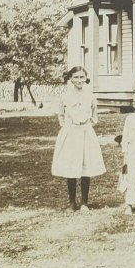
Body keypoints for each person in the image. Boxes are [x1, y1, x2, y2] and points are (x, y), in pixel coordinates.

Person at [51, 66, 106, 212]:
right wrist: (66, 127)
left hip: (86, 132)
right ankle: (71, 202)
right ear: (70, 79)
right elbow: (60, 114)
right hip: (71, 133)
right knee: (71, 167)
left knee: (85, 166)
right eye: (76, 77)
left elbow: (95, 116)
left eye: (82, 77)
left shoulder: (91, 96)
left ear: (86, 78)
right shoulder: (64, 96)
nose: (79, 80)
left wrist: (86, 125)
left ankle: (84, 202)